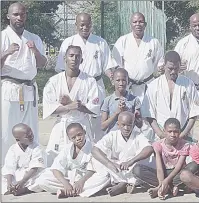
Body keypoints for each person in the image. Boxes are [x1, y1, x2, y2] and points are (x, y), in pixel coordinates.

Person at [55, 13, 115, 142]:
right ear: (76, 25)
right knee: (75, 118)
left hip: (96, 84)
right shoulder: (68, 42)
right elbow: (61, 68)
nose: (85, 28)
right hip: (75, 84)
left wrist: (111, 76)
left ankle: (98, 150)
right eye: (81, 25)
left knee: (97, 119)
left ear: (91, 25)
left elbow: (107, 65)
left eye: (88, 25)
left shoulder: (100, 42)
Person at [1, 2, 47, 162]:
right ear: (8, 16)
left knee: (30, 127)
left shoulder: (34, 38)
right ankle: (6, 163)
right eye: (15, 14)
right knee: (7, 128)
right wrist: (6, 53)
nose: (19, 17)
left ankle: (32, 162)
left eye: (22, 14)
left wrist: (35, 51)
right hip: (10, 87)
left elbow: (42, 64)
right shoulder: (3, 37)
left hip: (29, 88)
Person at [42, 45, 101, 166]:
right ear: (65, 58)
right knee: (54, 159)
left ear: (82, 60)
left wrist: (77, 106)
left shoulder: (90, 81)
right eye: (71, 55)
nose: (74, 58)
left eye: (77, 56)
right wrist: (70, 106)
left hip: (81, 124)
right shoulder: (54, 81)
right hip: (61, 124)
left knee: (86, 160)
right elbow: (49, 109)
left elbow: (94, 108)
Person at [37, 123, 110, 198]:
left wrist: (81, 181)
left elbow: (93, 169)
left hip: (86, 178)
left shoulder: (94, 148)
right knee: (43, 179)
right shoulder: (67, 149)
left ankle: (68, 191)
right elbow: (56, 168)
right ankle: (72, 190)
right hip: (69, 178)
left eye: (79, 134)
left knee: (105, 176)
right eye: (73, 137)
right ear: (69, 139)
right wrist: (65, 183)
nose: (78, 138)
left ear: (84, 132)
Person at [133, 118, 199, 199]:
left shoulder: (184, 145)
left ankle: (161, 188)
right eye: (169, 131)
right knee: (137, 169)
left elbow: (178, 167)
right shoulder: (158, 145)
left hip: (178, 173)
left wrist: (166, 181)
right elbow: (159, 168)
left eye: (175, 132)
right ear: (164, 131)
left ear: (180, 132)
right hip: (163, 173)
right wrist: (162, 182)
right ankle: (167, 187)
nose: (172, 134)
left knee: (194, 166)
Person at [144, 51, 199, 142]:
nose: (173, 72)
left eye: (176, 68)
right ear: (164, 66)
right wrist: (160, 134)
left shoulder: (188, 84)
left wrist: (183, 133)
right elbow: (149, 113)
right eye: (170, 68)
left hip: (183, 133)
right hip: (161, 134)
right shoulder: (154, 85)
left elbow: (194, 112)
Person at [91, 112, 154, 196]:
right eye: (123, 125)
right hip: (116, 168)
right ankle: (125, 183)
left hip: (131, 168)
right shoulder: (112, 135)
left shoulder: (138, 135)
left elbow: (149, 149)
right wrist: (110, 164)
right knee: (96, 161)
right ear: (118, 124)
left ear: (134, 124)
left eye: (129, 125)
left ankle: (122, 183)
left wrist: (130, 162)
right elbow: (95, 150)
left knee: (141, 166)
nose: (126, 128)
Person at [110, 12, 164, 102]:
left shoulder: (154, 42)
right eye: (135, 22)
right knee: (128, 114)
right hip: (128, 86)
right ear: (130, 24)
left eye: (141, 22)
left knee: (148, 113)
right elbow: (116, 64)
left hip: (148, 84)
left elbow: (159, 62)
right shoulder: (123, 41)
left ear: (145, 24)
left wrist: (160, 68)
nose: (138, 24)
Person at [2, 123, 45, 196]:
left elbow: (35, 168)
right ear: (18, 139)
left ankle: (25, 189)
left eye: (31, 133)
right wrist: (9, 182)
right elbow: (9, 167)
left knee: (44, 178)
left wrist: (22, 182)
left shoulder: (37, 147)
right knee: (4, 179)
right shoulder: (13, 149)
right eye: (27, 136)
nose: (31, 136)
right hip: (18, 174)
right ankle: (13, 188)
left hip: (32, 175)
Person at [101, 68, 142, 134]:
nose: (121, 83)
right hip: (113, 137)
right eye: (118, 80)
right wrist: (116, 113)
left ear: (128, 82)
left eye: (124, 80)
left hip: (129, 136)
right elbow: (103, 127)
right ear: (112, 82)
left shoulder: (135, 100)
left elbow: (140, 124)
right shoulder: (107, 100)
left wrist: (128, 112)